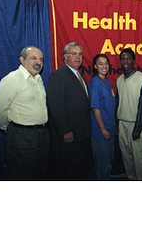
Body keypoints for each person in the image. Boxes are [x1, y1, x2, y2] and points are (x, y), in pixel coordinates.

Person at [0, 46, 49, 180]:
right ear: (22, 60)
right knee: (23, 176)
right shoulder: (13, 79)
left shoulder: (38, 79)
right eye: (33, 58)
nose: (38, 62)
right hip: (22, 136)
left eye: (41, 59)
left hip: (42, 135)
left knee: (40, 174)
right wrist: (10, 128)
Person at [47, 42, 93, 180]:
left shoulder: (79, 75)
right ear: (65, 57)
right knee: (68, 173)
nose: (78, 57)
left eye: (80, 54)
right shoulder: (58, 76)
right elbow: (56, 107)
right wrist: (65, 131)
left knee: (78, 171)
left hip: (82, 136)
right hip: (68, 137)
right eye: (74, 54)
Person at [115, 48, 142, 180]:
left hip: (136, 125)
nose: (125, 61)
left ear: (134, 61)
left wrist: (138, 129)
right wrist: (117, 124)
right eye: (123, 58)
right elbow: (118, 103)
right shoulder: (119, 80)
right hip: (122, 124)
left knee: (139, 158)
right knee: (126, 157)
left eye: (128, 58)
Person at [88, 54, 115, 180]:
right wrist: (103, 129)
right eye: (100, 63)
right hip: (100, 132)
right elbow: (95, 108)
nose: (104, 66)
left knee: (108, 163)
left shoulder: (108, 81)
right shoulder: (95, 83)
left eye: (106, 63)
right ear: (95, 66)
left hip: (110, 129)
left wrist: (113, 124)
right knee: (102, 166)